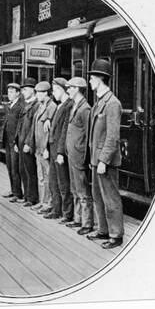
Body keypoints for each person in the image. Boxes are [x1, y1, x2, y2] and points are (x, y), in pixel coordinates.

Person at [86, 59, 125, 249]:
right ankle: (103, 230)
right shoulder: (99, 102)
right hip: (96, 159)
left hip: (104, 161)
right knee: (98, 196)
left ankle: (116, 235)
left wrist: (103, 160)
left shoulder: (112, 104)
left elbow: (113, 136)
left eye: (92, 77)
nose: (90, 81)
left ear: (101, 78)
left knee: (110, 198)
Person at [64, 77, 94, 235]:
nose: (67, 90)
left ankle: (87, 223)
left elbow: (89, 136)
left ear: (77, 89)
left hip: (79, 155)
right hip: (72, 153)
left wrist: (86, 157)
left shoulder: (85, 109)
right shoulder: (75, 106)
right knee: (75, 188)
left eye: (70, 88)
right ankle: (77, 219)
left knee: (82, 190)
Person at [45, 77, 73, 221]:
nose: (53, 93)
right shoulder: (59, 106)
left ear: (63, 90)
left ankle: (67, 213)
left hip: (59, 150)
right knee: (53, 181)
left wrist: (61, 152)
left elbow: (64, 131)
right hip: (53, 148)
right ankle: (57, 210)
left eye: (55, 90)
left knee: (63, 183)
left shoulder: (68, 106)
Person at [27, 81, 57, 213]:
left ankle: (49, 203)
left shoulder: (51, 107)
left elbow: (50, 131)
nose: (37, 95)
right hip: (38, 148)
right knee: (41, 176)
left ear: (46, 93)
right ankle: (42, 201)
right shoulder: (40, 106)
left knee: (48, 177)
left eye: (39, 92)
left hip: (44, 149)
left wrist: (46, 149)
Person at [14, 78, 40, 207]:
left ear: (32, 90)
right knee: (22, 169)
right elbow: (20, 125)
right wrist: (16, 141)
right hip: (21, 142)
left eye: (25, 89)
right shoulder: (26, 104)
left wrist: (29, 143)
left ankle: (32, 197)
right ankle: (26, 196)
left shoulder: (36, 105)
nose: (23, 92)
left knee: (30, 171)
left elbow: (33, 128)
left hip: (27, 144)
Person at [0, 82, 24, 202]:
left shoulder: (20, 106)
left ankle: (18, 193)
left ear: (18, 93)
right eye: (8, 91)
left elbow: (19, 126)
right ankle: (13, 189)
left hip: (14, 142)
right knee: (9, 167)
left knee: (15, 168)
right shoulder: (9, 105)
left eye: (11, 92)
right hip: (8, 141)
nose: (9, 94)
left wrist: (16, 142)